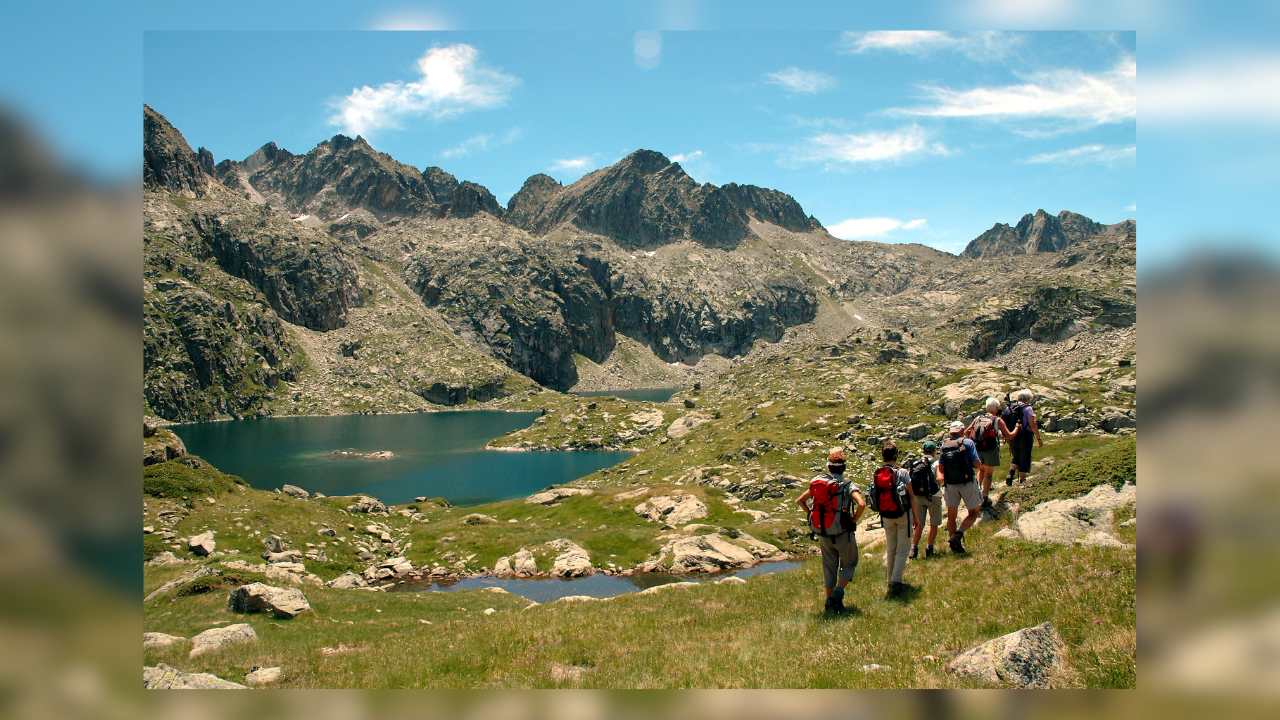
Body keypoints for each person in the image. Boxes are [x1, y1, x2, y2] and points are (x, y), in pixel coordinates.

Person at [797, 450, 865, 614]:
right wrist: (853, 520)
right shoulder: (847, 484)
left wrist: (811, 514)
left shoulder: (820, 484)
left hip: (824, 532)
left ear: (829, 467)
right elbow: (861, 504)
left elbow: (800, 500)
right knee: (849, 564)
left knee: (829, 568)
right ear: (844, 467)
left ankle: (829, 603)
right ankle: (838, 592)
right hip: (843, 533)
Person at [871, 441, 915, 597]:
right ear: (896, 455)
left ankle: (890, 580)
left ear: (883, 455)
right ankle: (896, 581)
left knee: (891, 548)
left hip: (886, 514)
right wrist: (915, 515)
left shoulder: (878, 472)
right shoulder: (902, 472)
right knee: (903, 549)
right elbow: (911, 495)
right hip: (902, 513)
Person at [966, 397, 1018, 510]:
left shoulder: (978, 418)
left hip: (977, 449)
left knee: (981, 470)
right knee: (988, 475)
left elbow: (966, 432)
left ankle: (977, 492)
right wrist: (1017, 429)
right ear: (997, 408)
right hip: (990, 450)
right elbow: (1009, 435)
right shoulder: (997, 420)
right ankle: (985, 498)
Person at [938, 420, 981, 554]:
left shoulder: (945, 446)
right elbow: (976, 464)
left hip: (950, 485)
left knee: (951, 517)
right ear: (962, 431)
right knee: (974, 513)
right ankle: (958, 534)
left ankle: (955, 548)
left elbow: (941, 467)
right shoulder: (967, 442)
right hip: (967, 483)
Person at [909, 440, 943, 559]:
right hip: (933, 496)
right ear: (934, 451)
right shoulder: (936, 463)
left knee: (919, 524)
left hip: (918, 497)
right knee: (934, 524)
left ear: (923, 451)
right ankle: (929, 548)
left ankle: (914, 548)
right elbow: (939, 479)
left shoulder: (916, 463)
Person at [1004, 388, 1044, 486]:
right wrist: (1039, 437)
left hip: (1013, 434)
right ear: (1027, 398)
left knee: (1015, 455)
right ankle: (1022, 481)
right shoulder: (1027, 408)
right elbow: (1032, 424)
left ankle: (1011, 473)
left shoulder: (1011, 407)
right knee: (1025, 456)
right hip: (1025, 434)